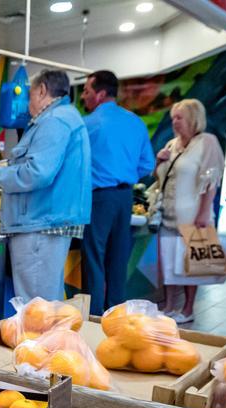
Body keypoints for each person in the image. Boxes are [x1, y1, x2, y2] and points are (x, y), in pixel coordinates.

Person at [0, 69, 91, 301]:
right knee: (45, 302)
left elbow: (37, 172)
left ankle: (40, 339)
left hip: (40, 224)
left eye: (29, 95)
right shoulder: (64, 117)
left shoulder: (54, 121)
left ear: (42, 91)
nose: (26, 103)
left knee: (37, 305)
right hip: (45, 222)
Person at [79, 70, 154, 313]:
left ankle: (94, 317)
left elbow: (75, 164)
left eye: (87, 91)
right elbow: (147, 165)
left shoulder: (88, 124)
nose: (83, 96)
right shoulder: (136, 122)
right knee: (118, 260)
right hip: (125, 198)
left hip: (99, 197)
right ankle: (116, 317)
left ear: (100, 94)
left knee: (94, 260)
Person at [152, 98, 226, 323]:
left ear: (193, 118)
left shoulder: (207, 142)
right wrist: (158, 162)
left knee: (191, 265)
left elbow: (211, 181)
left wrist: (204, 212)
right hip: (168, 215)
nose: (174, 122)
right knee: (167, 264)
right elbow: (159, 178)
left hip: (193, 216)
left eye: (179, 117)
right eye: (173, 117)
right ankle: (169, 306)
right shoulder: (171, 145)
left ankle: (187, 309)